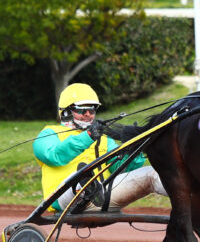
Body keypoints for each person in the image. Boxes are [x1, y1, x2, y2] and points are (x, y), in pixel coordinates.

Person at [33, 83, 166, 213]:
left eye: (91, 110)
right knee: (80, 176)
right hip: (65, 199)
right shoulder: (48, 133)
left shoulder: (104, 139)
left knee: (151, 173)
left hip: (106, 196)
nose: (88, 114)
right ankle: (88, 186)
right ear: (66, 111)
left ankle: (185, 193)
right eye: (81, 110)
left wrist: (135, 148)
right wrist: (88, 136)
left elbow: (121, 169)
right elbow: (54, 156)